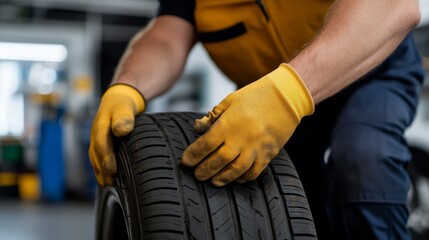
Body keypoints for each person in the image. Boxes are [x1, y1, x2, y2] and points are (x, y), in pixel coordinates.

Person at [88, 0, 425, 239]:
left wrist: (289, 91)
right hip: (265, 102)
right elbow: (166, 36)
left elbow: (395, 5)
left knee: (363, 158)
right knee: (290, 206)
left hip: (370, 74)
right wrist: (127, 88)